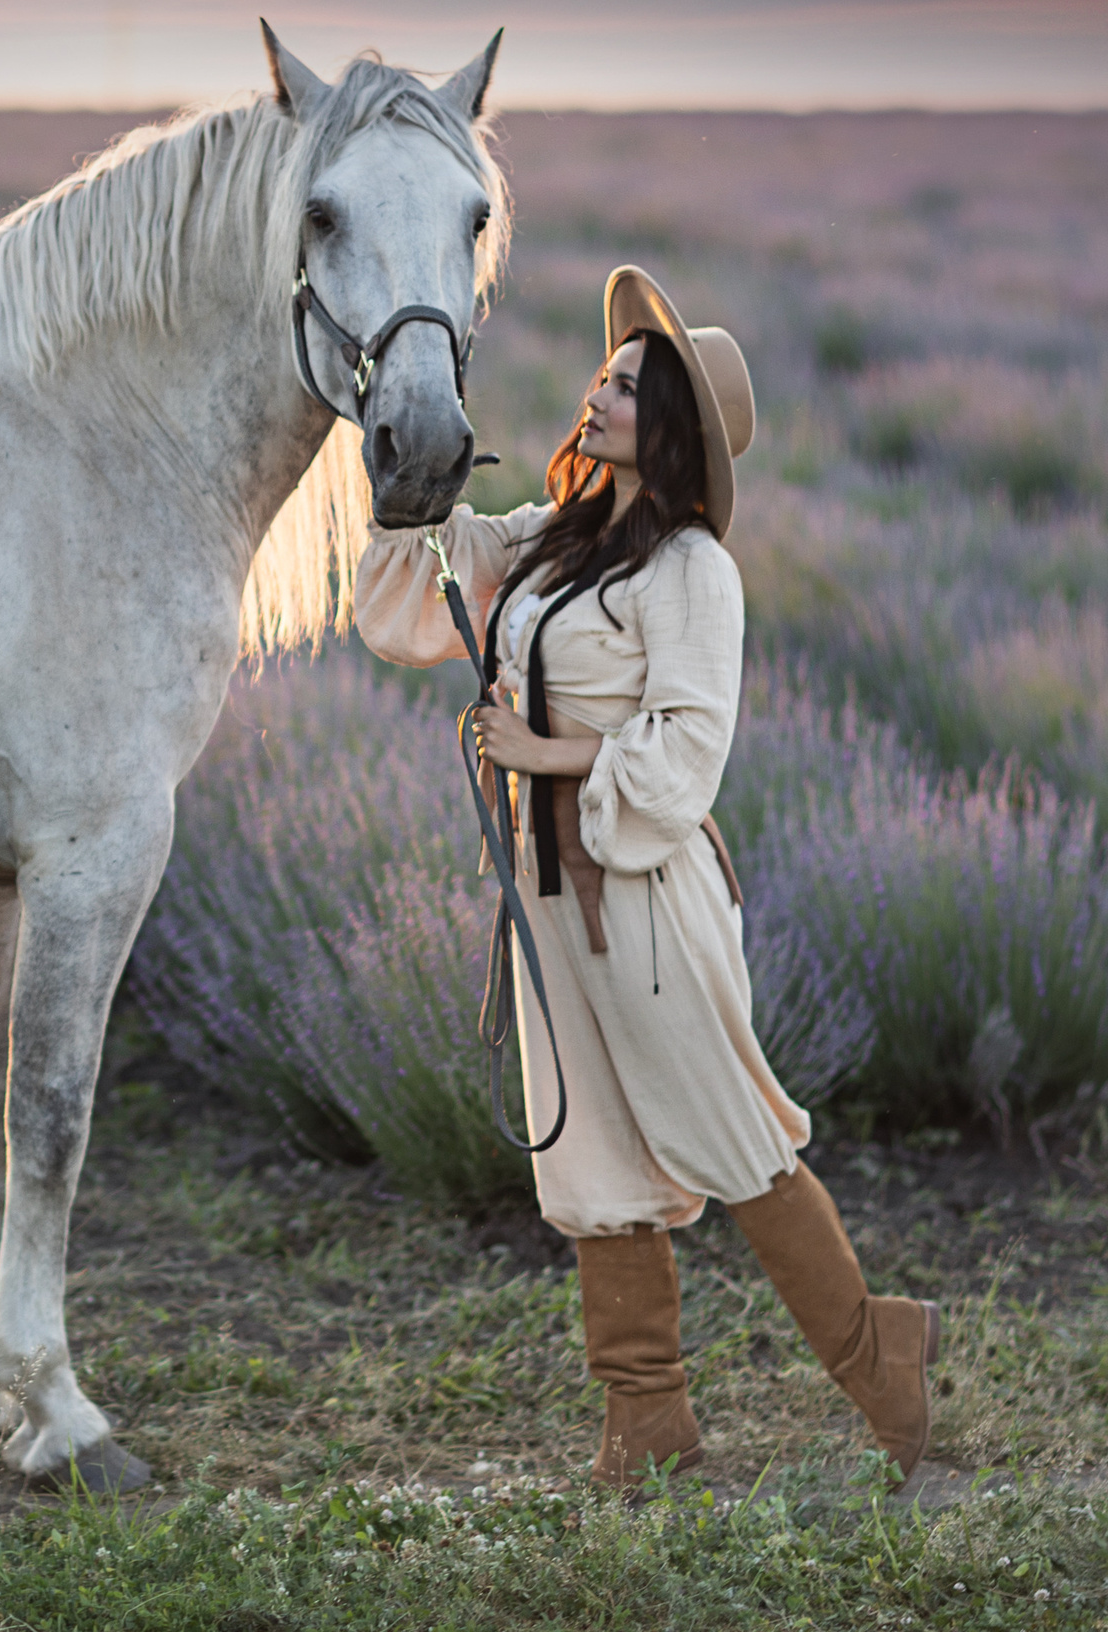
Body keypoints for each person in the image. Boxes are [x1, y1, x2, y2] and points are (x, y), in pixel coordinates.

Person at [351, 264, 940, 1490]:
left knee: (726, 1129)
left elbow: (686, 752)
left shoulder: (690, 571)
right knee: (591, 1156)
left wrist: (543, 752)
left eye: (627, 386)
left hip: (645, 895)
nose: (599, 393)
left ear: (668, 423)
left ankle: (877, 1354)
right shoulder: (555, 539)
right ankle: (648, 1423)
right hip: (547, 888)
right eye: (603, 376)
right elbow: (437, 571)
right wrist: (410, 462)